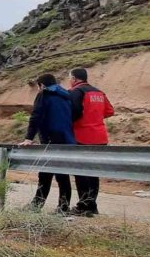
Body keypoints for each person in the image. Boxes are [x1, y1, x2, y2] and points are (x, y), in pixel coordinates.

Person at [18, 74, 76, 213]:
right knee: (62, 174)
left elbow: (36, 116)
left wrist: (29, 138)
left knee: (45, 173)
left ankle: (36, 205)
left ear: (42, 85)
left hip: (50, 138)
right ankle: (63, 207)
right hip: (66, 138)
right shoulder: (66, 96)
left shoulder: (44, 94)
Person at [69, 68, 115, 216]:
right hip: (100, 137)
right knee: (93, 173)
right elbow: (109, 111)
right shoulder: (99, 92)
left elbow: (74, 112)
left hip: (82, 136)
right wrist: (95, 118)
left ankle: (83, 206)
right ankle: (92, 206)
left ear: (75, 79)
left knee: (81, 173)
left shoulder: (76, 92)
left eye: (70, 78)